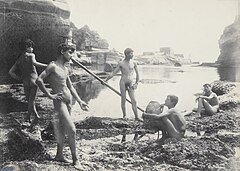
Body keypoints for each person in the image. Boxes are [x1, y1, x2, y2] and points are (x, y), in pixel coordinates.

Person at [36, 42, 88, 168]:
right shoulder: (52, 66)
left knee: (62, 128)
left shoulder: (65, 68)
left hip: (68, 101)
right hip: (59, 102)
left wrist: (80, 101)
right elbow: (39, 80)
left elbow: (70, 86)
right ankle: (76, 160)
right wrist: (50, 95)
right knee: (72, 129)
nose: (72, 55)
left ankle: (59, 155)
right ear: (62, 52)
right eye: (70, 52)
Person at [9, 38, 47, 125]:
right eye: (31, 47)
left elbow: (10, 72)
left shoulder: (19, 59)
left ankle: (35, 116)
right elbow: (35, 63)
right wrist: (47, 65)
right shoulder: (31, 55)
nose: (32, 49)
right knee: (32, 100)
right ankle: (28, 117)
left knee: (29, 100)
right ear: (27, 47)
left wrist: (18, 78)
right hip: (34, 80)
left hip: (25, 81)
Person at [105, 48, 142, 121]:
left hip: (131, 82)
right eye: (131, 53)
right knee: (123, 99)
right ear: (126, 54)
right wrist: (105, 80)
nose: (132, 55)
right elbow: (113, 73)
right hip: (123, 82)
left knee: (134, 101)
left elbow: (137, 74)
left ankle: (136, 117)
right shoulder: (121, 63)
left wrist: (136, 83)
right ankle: (124, 116)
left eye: (132, 53)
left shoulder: (134, 63)